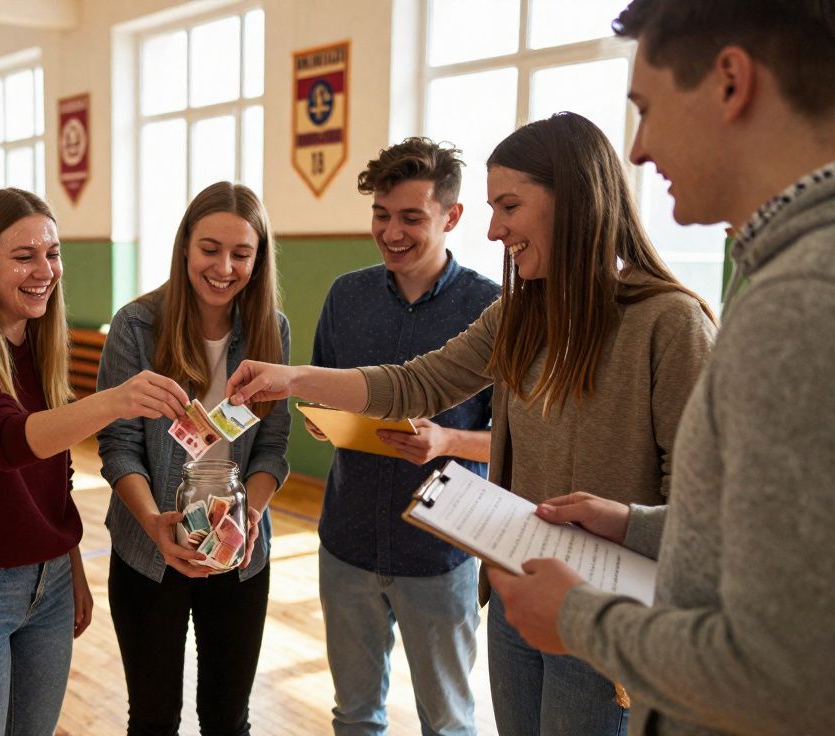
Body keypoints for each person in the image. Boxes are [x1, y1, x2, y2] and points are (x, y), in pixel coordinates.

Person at [227, 112, 718, 735]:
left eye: (509, 205)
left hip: (608, 619)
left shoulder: (669, 324)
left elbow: (707, 518)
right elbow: (412, 382)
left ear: (575, 199)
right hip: (519, 598)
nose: (495, 228)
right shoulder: (520, 315)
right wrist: (294, 378)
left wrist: (623, 522)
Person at [487, 3, 835, 734]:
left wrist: (582, 619)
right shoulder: (780, 278)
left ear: (731, 83)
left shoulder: (798, 302)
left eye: (646, 109)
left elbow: (786, 671)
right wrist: (638, 526)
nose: (638, 152)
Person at [0, 187, 189, 735]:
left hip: (50, 584)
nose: (44, 269)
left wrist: (69, 560)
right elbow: (5, 441)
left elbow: (54, 472)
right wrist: (116, 400)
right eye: (23, 255)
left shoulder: (41, 346)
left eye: (52, 253)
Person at [308, 140, 498, 736]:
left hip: (441, 551)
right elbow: (322, 393)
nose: (391, 232)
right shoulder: (347, 295)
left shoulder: (493, 307)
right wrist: (322, 418)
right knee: (355, 716)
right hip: (348, 544)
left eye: (411, 218)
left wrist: (447, 441)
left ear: (452, 216)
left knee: (448, 723)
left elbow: (519, 439)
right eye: (381, 215)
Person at [95, 182, 290, 735]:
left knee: (227, 719)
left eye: (241, 254)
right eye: (210, 249)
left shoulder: (271, 330)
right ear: (184, 246)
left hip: (240, 554)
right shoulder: (136, 326)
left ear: (260, 257)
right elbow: (118, 447)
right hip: (149, 549)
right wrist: (156, 525)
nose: (224, 267)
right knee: (154, 717)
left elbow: (273, 447)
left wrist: (246, 518)